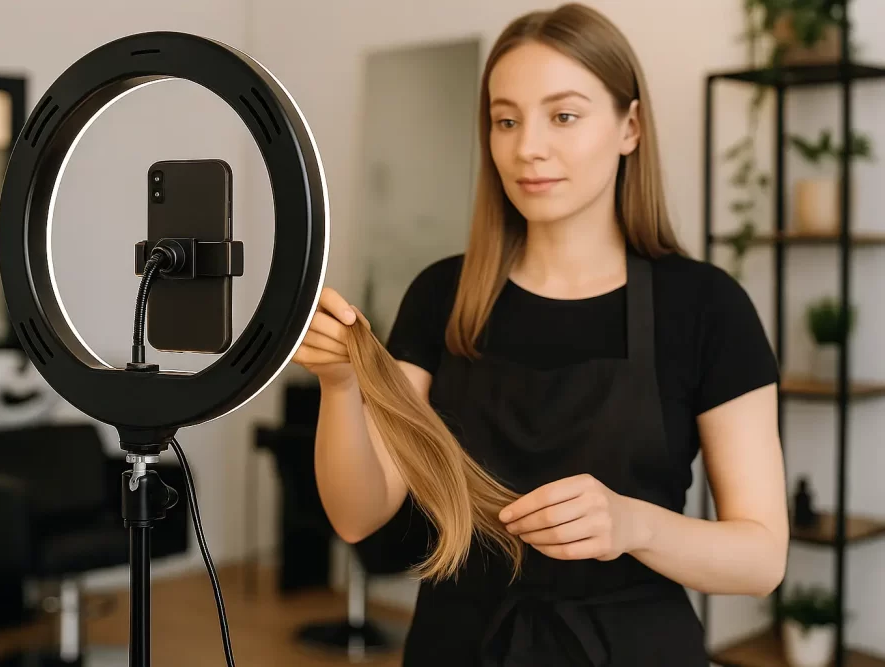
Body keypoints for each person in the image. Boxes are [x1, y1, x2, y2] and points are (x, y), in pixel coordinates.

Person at [291, 3, 788, 665]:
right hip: (459, 644)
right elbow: (360, 513)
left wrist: (630, 523)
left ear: (630, 126)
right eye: (505, 119)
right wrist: (339, 384)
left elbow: (761, 558)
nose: (527, 146)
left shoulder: (704, 306)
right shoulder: (442, 294)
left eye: (564, 115)